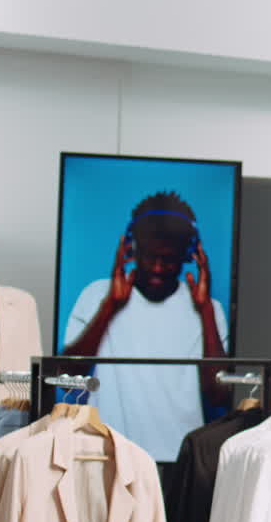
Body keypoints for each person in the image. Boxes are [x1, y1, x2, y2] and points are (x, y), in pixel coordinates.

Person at [63, 191, 229, 461]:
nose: (158, 268)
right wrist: (111, 307)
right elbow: (67, 375)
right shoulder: (96, 296)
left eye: (169, 259)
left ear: (190, 255)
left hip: (179, 462)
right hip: (105, 456)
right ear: (131, 248)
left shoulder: (209, 309)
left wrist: (206, 311)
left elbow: (219, 394)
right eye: (149, 256)